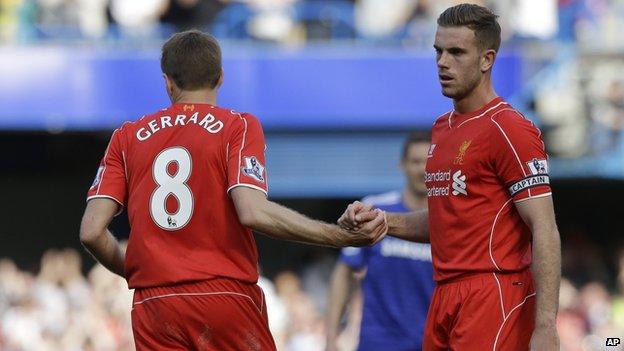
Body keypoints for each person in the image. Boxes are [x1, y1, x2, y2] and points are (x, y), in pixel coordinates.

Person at [79, 30, 387, 351]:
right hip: (224, 298)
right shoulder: (237, 126)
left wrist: (139, 271)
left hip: (154, 304)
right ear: (221, 77)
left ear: (168, 82)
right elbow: (253, 211)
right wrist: (337, 235)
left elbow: (90, 232)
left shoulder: (127, 136)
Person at [339, 4, 561, 351]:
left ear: (487, 60)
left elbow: (544, 228)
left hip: (493, 295)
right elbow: (448, 220)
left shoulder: (509, 128)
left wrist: (546, 326)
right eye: (438, 51)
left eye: (456, 52)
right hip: (444, 294)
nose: (443, 62)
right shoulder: (442, 128)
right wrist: (383, 221)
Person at [325, 132, 434, 351]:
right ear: (402, 165)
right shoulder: (375, 210)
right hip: (379, 342)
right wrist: (331, 338)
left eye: (429, 162)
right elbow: (344, 272)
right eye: (415, 161)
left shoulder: (451, 219)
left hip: (434, 341)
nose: (423, 169)